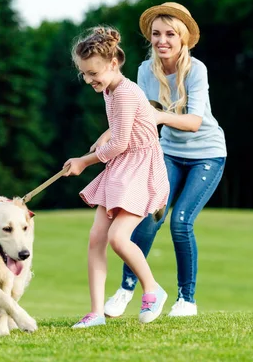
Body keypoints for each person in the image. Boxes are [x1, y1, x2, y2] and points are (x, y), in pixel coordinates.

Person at [102, 2, 227, 318]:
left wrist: (155, 115)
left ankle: (187, 300)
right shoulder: (146, 70)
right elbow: (135, 117)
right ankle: (128, 288)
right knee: (148, 217)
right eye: (156, 34)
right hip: (168, 153)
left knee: (181, 222)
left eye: (170, 34)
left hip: (207, 155)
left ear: (182, 38)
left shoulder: (196, 70)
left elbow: (194, 121)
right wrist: (109, 140)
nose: (162, 41)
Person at [63, 26, 170, 328]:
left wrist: (84, 162)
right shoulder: (109, 89)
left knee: (118, 238)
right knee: (96, 238)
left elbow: (121, 143)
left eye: (92, 73)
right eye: (84, 74)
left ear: (112, 64)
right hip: (122, 167)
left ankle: (153, 289)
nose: (88, 80)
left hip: (140, 168)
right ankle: (96, 313)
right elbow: (122, 136)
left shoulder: (123, 92)